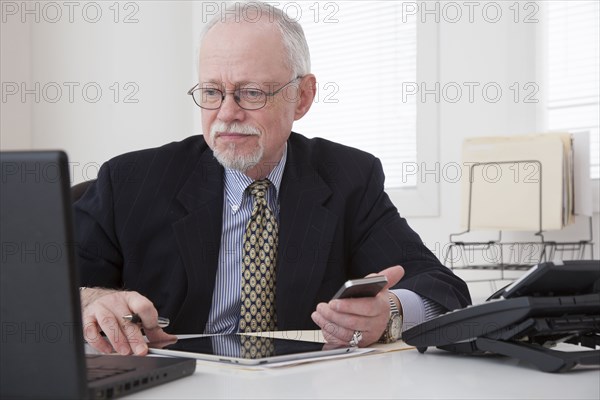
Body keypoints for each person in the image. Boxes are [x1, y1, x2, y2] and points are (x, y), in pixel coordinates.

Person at [75, 1, 471, 356]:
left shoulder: (350, 178)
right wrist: (91, 301)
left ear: (302, 96)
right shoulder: (130, 181)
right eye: (212, 92)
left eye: (250, 93)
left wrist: (391, 312)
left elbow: (444, 290)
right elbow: (36, 289)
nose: (227, 113)